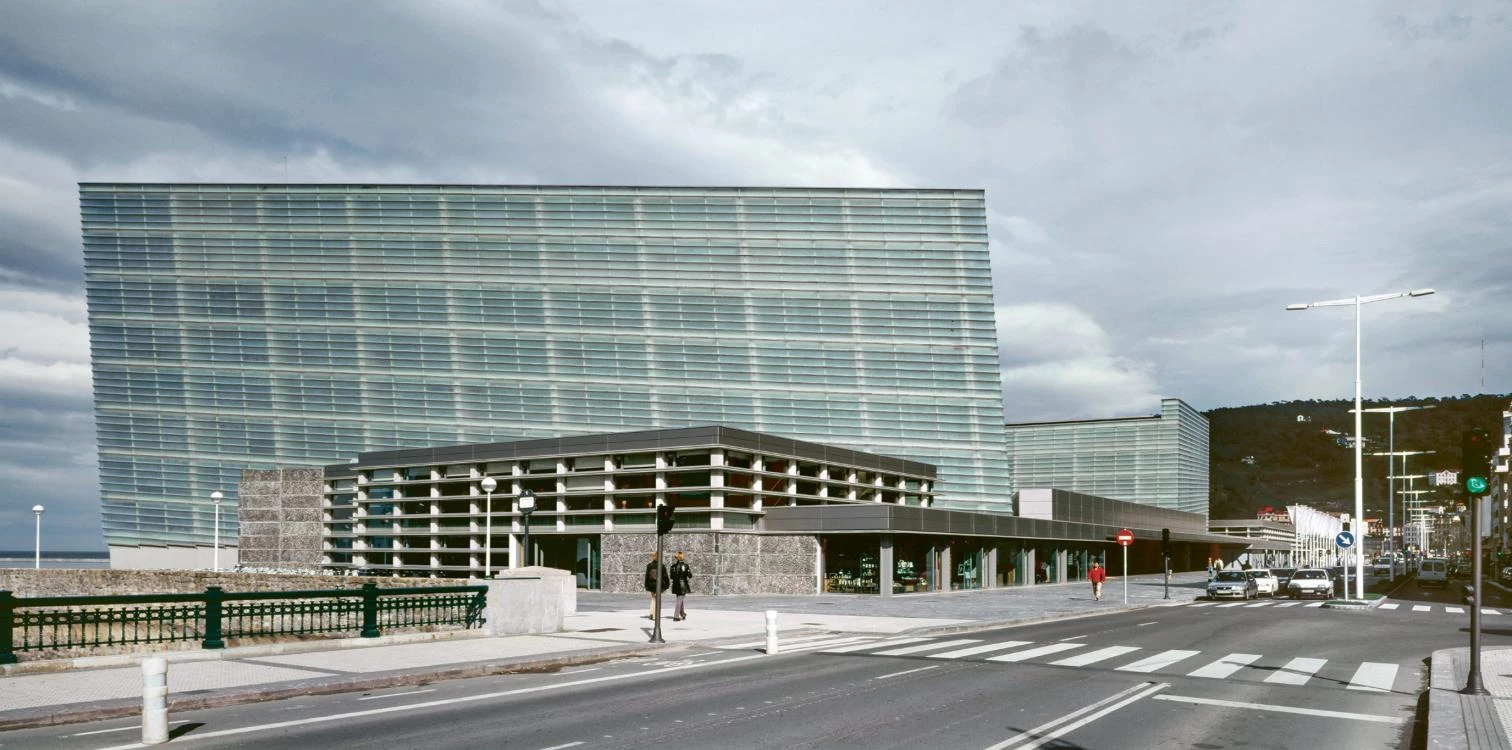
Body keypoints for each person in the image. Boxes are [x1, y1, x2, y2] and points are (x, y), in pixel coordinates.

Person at [644, 553, 669, 619]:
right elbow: (665, 576)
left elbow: (647, 576)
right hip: (658, 585)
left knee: (653, 598)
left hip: (651, 585)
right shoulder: (661, 566)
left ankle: (651, 613)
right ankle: (655, 615)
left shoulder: (649, 565)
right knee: (657, 599)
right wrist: (667, 584)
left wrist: (646, 585)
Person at [669, 551, 693, 621]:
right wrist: (687, 571)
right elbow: (690, 576)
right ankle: (676, 616)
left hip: (676, 585)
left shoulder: (673, 567)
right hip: (683, 585)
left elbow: (671, 577)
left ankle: (682, 614)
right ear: (682, 557)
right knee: (679, 600)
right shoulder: (685, 566)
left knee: (680, 599)